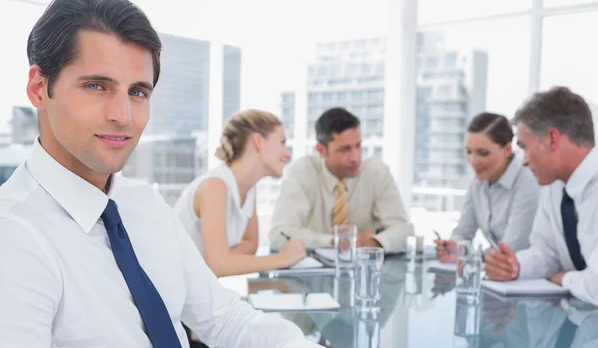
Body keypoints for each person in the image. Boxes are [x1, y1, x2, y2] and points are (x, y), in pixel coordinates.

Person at [0, 0, 368, 348]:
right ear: (38, 88)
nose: (123, 114)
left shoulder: (143, 205)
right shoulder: (13, 238)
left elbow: (221, 314)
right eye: (97, 86)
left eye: (138, 91)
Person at [484, 87, 598, 306]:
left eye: (525, 148)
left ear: (552, 139)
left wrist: (565, 278)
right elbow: (547, 253)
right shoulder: (554, 186)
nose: (524, 161)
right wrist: (516, 266)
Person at [174, 109, 307, 277]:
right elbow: (218, 266)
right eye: (282, 143)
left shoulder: (249, 189)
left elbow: (250, 245)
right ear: (259, 141)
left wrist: (225, 259)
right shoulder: (215, 186)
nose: (287, 154)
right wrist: (283, 258)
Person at [269, 107, 414, 253]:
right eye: (345, 150)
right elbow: (278, 235)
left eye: (358, 146)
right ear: (321, 150)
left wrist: (369, 242)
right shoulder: (301, 173)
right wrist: (333, 241)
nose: (355, 157)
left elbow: (403, 231)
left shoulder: (376, 172)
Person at [435, 112, 539, 262]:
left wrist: (471, 255)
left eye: (483, 153)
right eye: (469, 152)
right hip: (498, 272)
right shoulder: (479, 180)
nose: (473, 160)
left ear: (507, 150)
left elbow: (511, 248)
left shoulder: (528, 179)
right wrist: (455, 248)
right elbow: (463, 233)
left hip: (527, 274)